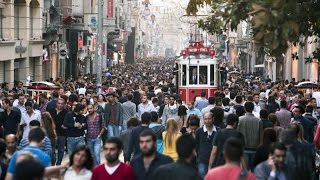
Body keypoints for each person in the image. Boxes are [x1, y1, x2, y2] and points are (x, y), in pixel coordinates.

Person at [237, 101, 263, 171]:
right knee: (254, 170)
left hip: (243, 149)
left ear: (245, 109)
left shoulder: (240, 119)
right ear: (253, 108)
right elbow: (261, 137)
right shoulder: (258, 121)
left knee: (244, 171)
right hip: (255, 149)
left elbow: (238, 134)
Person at [195, 112, 219, 177]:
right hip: (202, 160)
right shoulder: (199, 131)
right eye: (205, 119)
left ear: (213, 119)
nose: (207, 121)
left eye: (209, 119)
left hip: (215, 161)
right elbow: (196, 145)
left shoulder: (218, 131)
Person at [48, 98, 68, 165]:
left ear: (64, 104)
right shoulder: (51, 111)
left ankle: (58, 163)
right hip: (52, 134)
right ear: (56, 104)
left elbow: (66, 123)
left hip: (62, 133)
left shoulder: (66, 112)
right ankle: (52, 163)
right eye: (59, 103)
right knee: (52, 150)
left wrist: (64, 126)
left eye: (62, 104)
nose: (60, 105)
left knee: (61, 150)